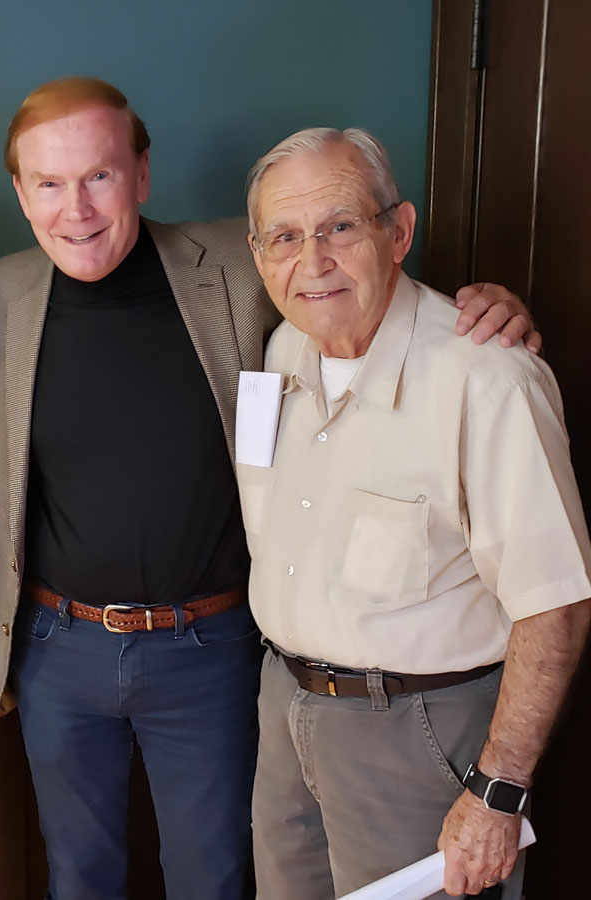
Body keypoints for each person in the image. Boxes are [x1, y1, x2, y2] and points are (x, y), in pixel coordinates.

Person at [0, 76, 540, 900]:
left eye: (100, 176)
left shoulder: (239, 261)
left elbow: (360, 289)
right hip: (60, 648)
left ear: (142, 174)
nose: (75, 208)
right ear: (20, 192)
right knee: (75, 873)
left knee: (216, 873)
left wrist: (491, 306)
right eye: (48, 183)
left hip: (211, 648)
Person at [240, 126, 591, 899]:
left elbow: (555, 604)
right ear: (259, 253)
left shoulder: (487, 378)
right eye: (286, 237)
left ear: (398, 232)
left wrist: (498, 791)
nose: (313, 261)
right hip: (285, 713)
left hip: (420, 731)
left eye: (339, 227)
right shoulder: (279, 353)